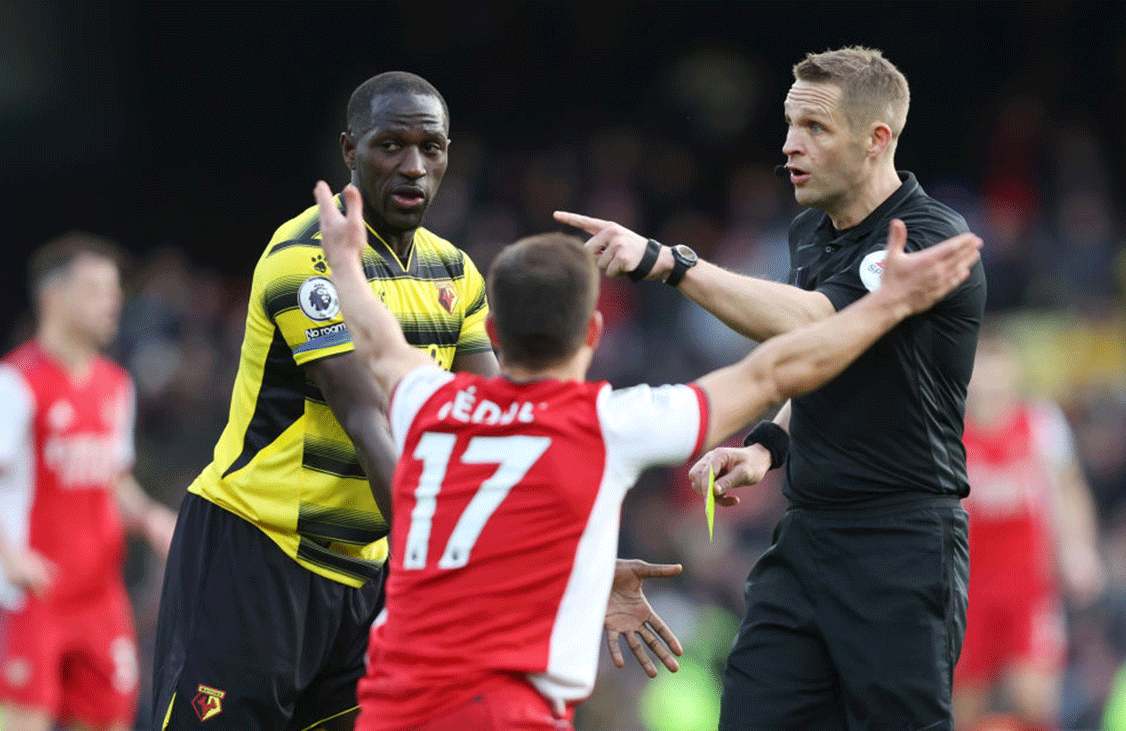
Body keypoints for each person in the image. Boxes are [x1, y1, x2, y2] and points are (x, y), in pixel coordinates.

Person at [313, 179, 981, 730]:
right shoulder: (604, 421)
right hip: (502, 710)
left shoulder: (430, 402)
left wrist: (345, 263)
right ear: (594, 330)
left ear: (490, 332)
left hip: (389, 707)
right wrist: (887, 306)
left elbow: (378, 341)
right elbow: (773, 371)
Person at [149, 71, 680, 731]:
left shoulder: (456, 271)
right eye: (390, 145)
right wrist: (477, 569)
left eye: (431, 147)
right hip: (257, 554)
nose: (414, 166)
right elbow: (367, 417)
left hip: (366, 569)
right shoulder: (307, 257)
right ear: (349, 150)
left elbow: (502, 427)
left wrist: (574, 560)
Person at [557, 46, 988, 730]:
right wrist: (765, 448)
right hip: (808, 534)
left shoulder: (927, 236)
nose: (790, 144)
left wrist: (669, 263)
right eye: (789, 124)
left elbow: (820, 321)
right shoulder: (810, 233)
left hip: (901, 539)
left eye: (815, 128)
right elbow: (819, 359)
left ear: (877, 139)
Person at [0, 232, 177, 731]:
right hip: (29, 593)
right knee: (28, 721)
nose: (113, 302)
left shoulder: (116, 384)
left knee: (110, 720)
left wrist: (150, 516)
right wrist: (10, 555)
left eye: (116, 290)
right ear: (53, 298)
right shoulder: (7, 384)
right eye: (97, 289)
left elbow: (113, 482)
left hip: (99, 594)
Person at [954, 328, 1105, 731]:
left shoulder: (1040, 422)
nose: (991, 377)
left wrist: (1079, 550)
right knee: (963, 700)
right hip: (968, 587)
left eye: (999, 366)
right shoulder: (950, 430)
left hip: (1029, 584)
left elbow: (1069, 489)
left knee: (1033, 695)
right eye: (982, 367)